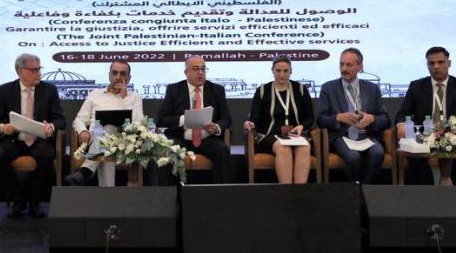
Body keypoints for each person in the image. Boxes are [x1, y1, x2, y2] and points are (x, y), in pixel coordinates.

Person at [0, 54, 65, 218]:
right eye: (34, 70)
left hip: (39, 140)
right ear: (20, 72)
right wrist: (3, 127)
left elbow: (60, 120)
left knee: (46, 156)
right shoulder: (5, 90)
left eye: (39, 69)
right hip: (15, 140)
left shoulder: (49, 90)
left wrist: (51, 126)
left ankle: (35, 204)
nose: (39, 73)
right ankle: (18, 199)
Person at [394, 46, 456, 186]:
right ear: (427, 65)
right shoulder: (416, 86)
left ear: (448, 63)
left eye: (440, 62)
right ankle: (429, 192)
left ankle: (451, 193)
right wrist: (401, 124)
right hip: (424, 137)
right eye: (431, 63)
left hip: (452, 136)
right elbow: (402, 113)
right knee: (415, 160)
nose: (436, 67)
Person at [316, 48, 390, 184]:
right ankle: (354, 190)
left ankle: (364, 189)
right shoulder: (328, 88)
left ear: (360, 67)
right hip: (342, 136)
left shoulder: (372, 88)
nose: (344, 68)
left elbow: (385, 119)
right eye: (341, 64)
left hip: (367, 136)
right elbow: (320, 120)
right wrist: (337, 118)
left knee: (378, 153)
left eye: (348, 65)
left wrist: (372, 119)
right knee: (352, 157)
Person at [65, 60, 144, 186]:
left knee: (107, 132)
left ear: (129, 78)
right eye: (115, 73)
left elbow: (138, 124)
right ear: (109, 75)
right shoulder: (95, 95)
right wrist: (83, 131)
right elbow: (79, 120)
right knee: (104, 137)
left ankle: (86, 170)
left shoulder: (134, 98)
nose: (118, 77)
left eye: (123, 74)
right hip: (95, 139)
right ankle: (106, 192)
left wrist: (124, 99)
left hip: (124, 144)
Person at [156, 56, 232, 184]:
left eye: (203, 69)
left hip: (207, 139)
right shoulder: (174, 90)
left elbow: (226, 118)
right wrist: (184, 119)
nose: (200, 72)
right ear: (186, 72)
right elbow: (161, 119)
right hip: (181, 138)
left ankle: (222, 192)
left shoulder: (216, 90)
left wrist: (216, 127)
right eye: (196, 69)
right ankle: (169, 193)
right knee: (168, 150)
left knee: (221, 149)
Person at [244, 55, 314, 184]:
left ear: (291, 71)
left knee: (304, 148)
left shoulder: (300, 89)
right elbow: (254, 117)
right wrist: (249, 123)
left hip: (296, 135)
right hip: (270, 136)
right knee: (283, 148)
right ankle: (286, 192)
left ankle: (299, 192)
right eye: (278, 70)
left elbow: (310, 118)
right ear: (272, 71)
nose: (282, 74)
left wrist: (302, 126)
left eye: (285, 71)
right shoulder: (263, 90)